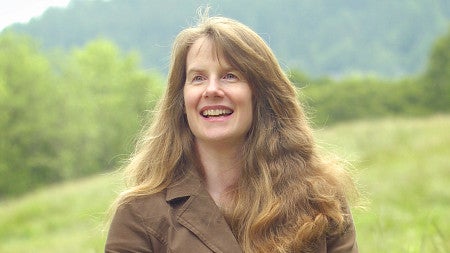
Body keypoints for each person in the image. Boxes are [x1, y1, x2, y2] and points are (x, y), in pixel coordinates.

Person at [105, 14, 359, 253]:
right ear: (181, 101)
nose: (212, 90)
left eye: (229, 76)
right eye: (198, 78)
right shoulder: (139, 214)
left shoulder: (320, 198)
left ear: (260, 94)